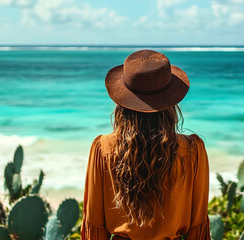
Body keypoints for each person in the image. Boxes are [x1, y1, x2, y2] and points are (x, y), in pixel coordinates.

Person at [81, 50, 211, 240]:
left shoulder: (103, 148)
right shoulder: (192, 151)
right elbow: (197, 226)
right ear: (171, 103)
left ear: (121, 104)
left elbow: (95, 224)